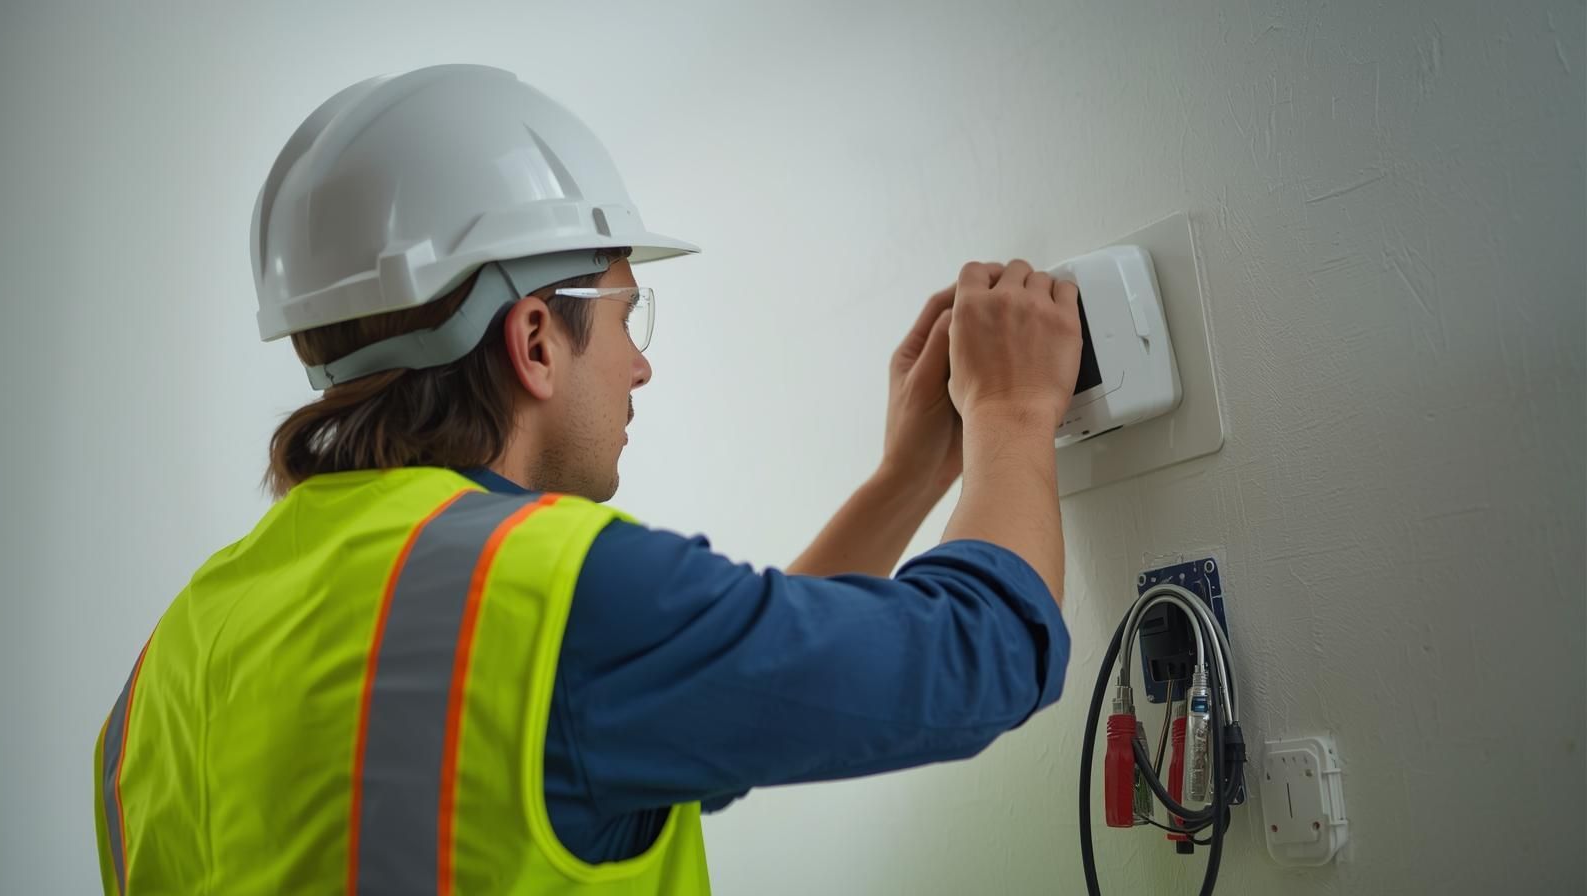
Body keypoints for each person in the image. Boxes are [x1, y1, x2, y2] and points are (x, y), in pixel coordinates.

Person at [92, 63, 1085, 895]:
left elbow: (721, 694)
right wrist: (1009, 412)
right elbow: (984, 654)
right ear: (533, 337)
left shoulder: (173, 662)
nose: (638, 363)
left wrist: (906, 478)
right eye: (623, 314)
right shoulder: (551, 592)